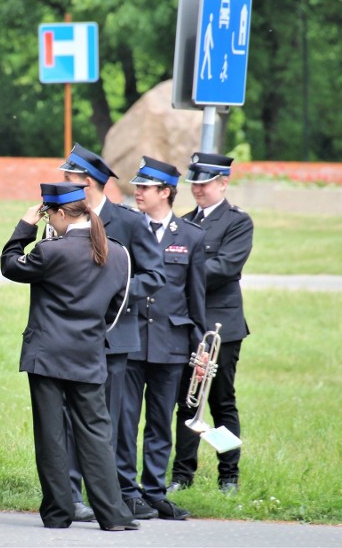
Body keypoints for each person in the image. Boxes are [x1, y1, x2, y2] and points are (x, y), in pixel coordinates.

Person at [0, 181, 137, 532]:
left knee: (52, 434)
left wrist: (25, 227)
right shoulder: (118, 253)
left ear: (60, 213)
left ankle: (60, 512)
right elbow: (116, 309)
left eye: (50, 215)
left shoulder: (50, 251)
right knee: (96, 433)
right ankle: (114, 514)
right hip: (89, 353)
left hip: (47, 355)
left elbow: (10, 265)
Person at [57, 143, 166, 521]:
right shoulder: (63, 218)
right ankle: (71, 496)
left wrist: (115, 294)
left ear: (87, 183)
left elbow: (155, 275)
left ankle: (115, 496)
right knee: (70, 418)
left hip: (113, 338)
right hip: (70, 338)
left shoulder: (130, 222)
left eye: (68, 179)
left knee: (109, 421)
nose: (62, 185)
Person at [116, 157, 206, 520]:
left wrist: (199, 346)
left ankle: (154, 491)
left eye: (145, 187)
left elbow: (195, 297)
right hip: (132, 338)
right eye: (137, 186)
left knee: (160, 422)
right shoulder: (126, 227)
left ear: (165, 192)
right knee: (125, 419)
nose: (137, 192)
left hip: (171, 342)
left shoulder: (191, 236)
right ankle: (125, 490)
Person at [170, 152, 254, 494]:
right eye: (195, 183)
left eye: (205, 183)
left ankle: (228, 474)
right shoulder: (185, 221)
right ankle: (181, 475)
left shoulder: (237, 221)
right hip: (191, 323)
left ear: (223, 183)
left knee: (220, 401)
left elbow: (225, 267)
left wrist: (179, 275)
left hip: (222, 326)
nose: (198, 189)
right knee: (188, 402)